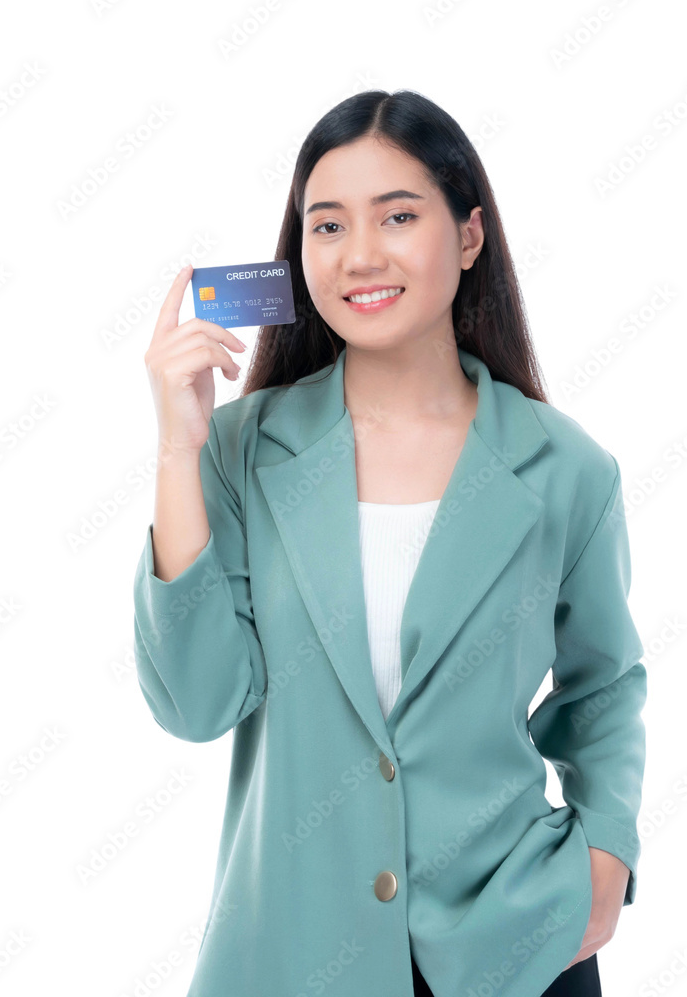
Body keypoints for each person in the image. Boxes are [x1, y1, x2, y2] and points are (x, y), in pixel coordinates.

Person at [133, 89, 646, 997]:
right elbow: (197, 704)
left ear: (470, 235)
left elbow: (603, 682)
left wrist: (607, 856)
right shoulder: (243, 450)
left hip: (517, 946)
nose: (360, 254)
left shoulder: (567, 468)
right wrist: (180, 450)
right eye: (328, 226)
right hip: (295, 955)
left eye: (399, 216)